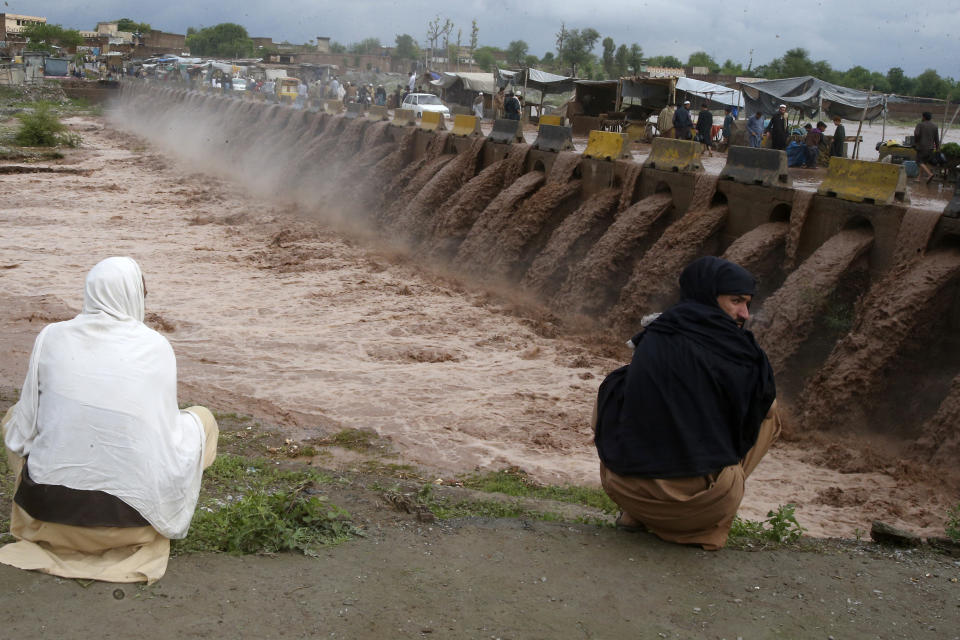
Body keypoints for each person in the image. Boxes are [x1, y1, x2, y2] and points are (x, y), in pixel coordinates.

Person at [0, 257, 218, 584]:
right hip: (131, 527)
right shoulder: (156, 346)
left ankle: (37, 520)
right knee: (203, 421)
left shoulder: (51, 336)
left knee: (15, 417)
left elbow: (22, 433)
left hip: (50, 518)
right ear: (133, 297)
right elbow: (164, 436)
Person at [593, 256, 779, 550]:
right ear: (708, 295)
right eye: (736, 301)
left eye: (747, 303)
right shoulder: (738, 350)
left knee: (617, 385)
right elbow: (763, 408)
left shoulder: (655, 332)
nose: (744, 314)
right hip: (697, 507)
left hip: (625, 490)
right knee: (771, 413)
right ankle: (702, 529)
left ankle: (635, 514)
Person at [914, 111, 941, 184]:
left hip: (921, 147)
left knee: (919, 162)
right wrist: (938, 148)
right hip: (931, 148)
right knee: (923, 163)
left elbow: (916, 134)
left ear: (924, 117)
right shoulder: (935, 126)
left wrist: (916, 142)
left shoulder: (920, 125)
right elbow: (936, 138)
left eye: (922, 116)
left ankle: (930, 174)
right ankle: (919, 178)